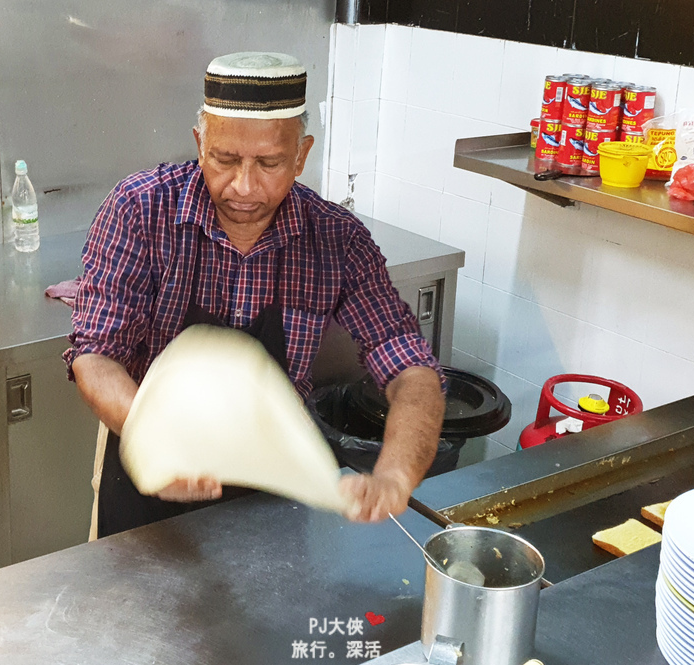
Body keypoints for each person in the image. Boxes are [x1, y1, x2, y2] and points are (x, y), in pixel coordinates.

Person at [65, 52, 445, 539]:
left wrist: (394, 474)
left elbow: (410, 367)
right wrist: (157, 440)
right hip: (152, 475)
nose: (244, 187)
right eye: (225, 160)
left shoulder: (336, 239)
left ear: (302, 154)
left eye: (269, 163)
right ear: (201, 143)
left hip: (275, 486)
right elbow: (95, 357)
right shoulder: (140, 210)